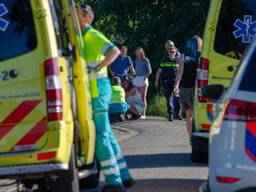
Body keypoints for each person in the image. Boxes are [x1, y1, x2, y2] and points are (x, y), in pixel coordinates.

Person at [76, 3, 134, 192]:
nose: (72, 17)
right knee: (107, 135)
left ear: (85, 17)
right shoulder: (81, 36)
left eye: (75, 14)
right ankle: (124, 177)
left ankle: (114, 182)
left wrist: (99, 66)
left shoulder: (91, 35)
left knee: (100, 137)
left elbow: (114, 51)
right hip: (97, 90)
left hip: (98, 91)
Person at [174, 36, 203, 137]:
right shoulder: (201, 55)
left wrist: (176, 85)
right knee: (197, 114)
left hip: (185, 86)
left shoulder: (183, 55)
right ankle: (197, 136)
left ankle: (191, 137)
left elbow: (180, 71)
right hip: (196, 87)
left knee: (188, 115)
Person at [155, 46, 182, 121]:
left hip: (176, 81)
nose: (172, 53)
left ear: (175, 53)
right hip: (166, 81)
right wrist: (156, 81)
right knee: (168, 97)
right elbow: (159, 71)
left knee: (177, 97)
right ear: (168, 53)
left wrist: (178, 82)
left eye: (173, 52)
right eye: (170, 52)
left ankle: (178, 114)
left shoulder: (178, 61)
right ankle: (171, 114)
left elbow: (180, 72)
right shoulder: (165, 60)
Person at [133, 47, 152, 119]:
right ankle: (139, 113)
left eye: (138, 52)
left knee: (143, 97)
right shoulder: (136, 60)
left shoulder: (146, 60)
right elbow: (135, 71)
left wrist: (145, 77)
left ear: (141, 52)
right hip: (136, 79)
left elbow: (150, 71)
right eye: (136, 52)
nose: (137, 53)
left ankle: (144, 114)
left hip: (144, 79)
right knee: (137, 97)